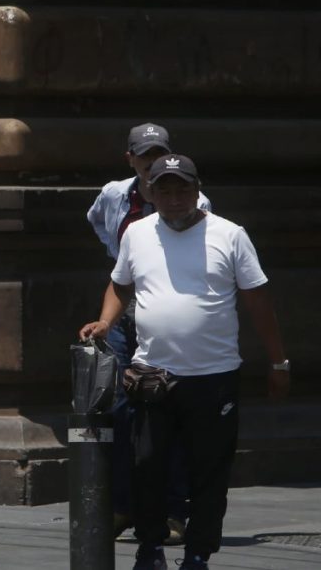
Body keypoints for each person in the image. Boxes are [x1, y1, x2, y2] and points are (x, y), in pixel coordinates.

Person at [79, 154, 289, 570]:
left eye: (182, 190)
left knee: (208, 474)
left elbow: (258, 301)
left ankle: (197, 554)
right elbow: (119, 285)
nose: (174, 199)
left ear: (197, 190)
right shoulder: (136, 234)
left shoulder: (229, 235)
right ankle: (150, 550)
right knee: (147, 468)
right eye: (164, 190)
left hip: (213, 378)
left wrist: (278, 361)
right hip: (151, 374)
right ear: (151, 193)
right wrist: (105, 321)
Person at [86, 123, 211, 543]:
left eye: (158, 152)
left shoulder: (196, 202)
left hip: (170, 319)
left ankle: (174, 510)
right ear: (130, 160)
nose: (150, 161)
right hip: (126, 317)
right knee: (122, 411)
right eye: (143, 155)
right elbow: (108, 241)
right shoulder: (113, 195)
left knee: (171, 412)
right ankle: (125, 504)